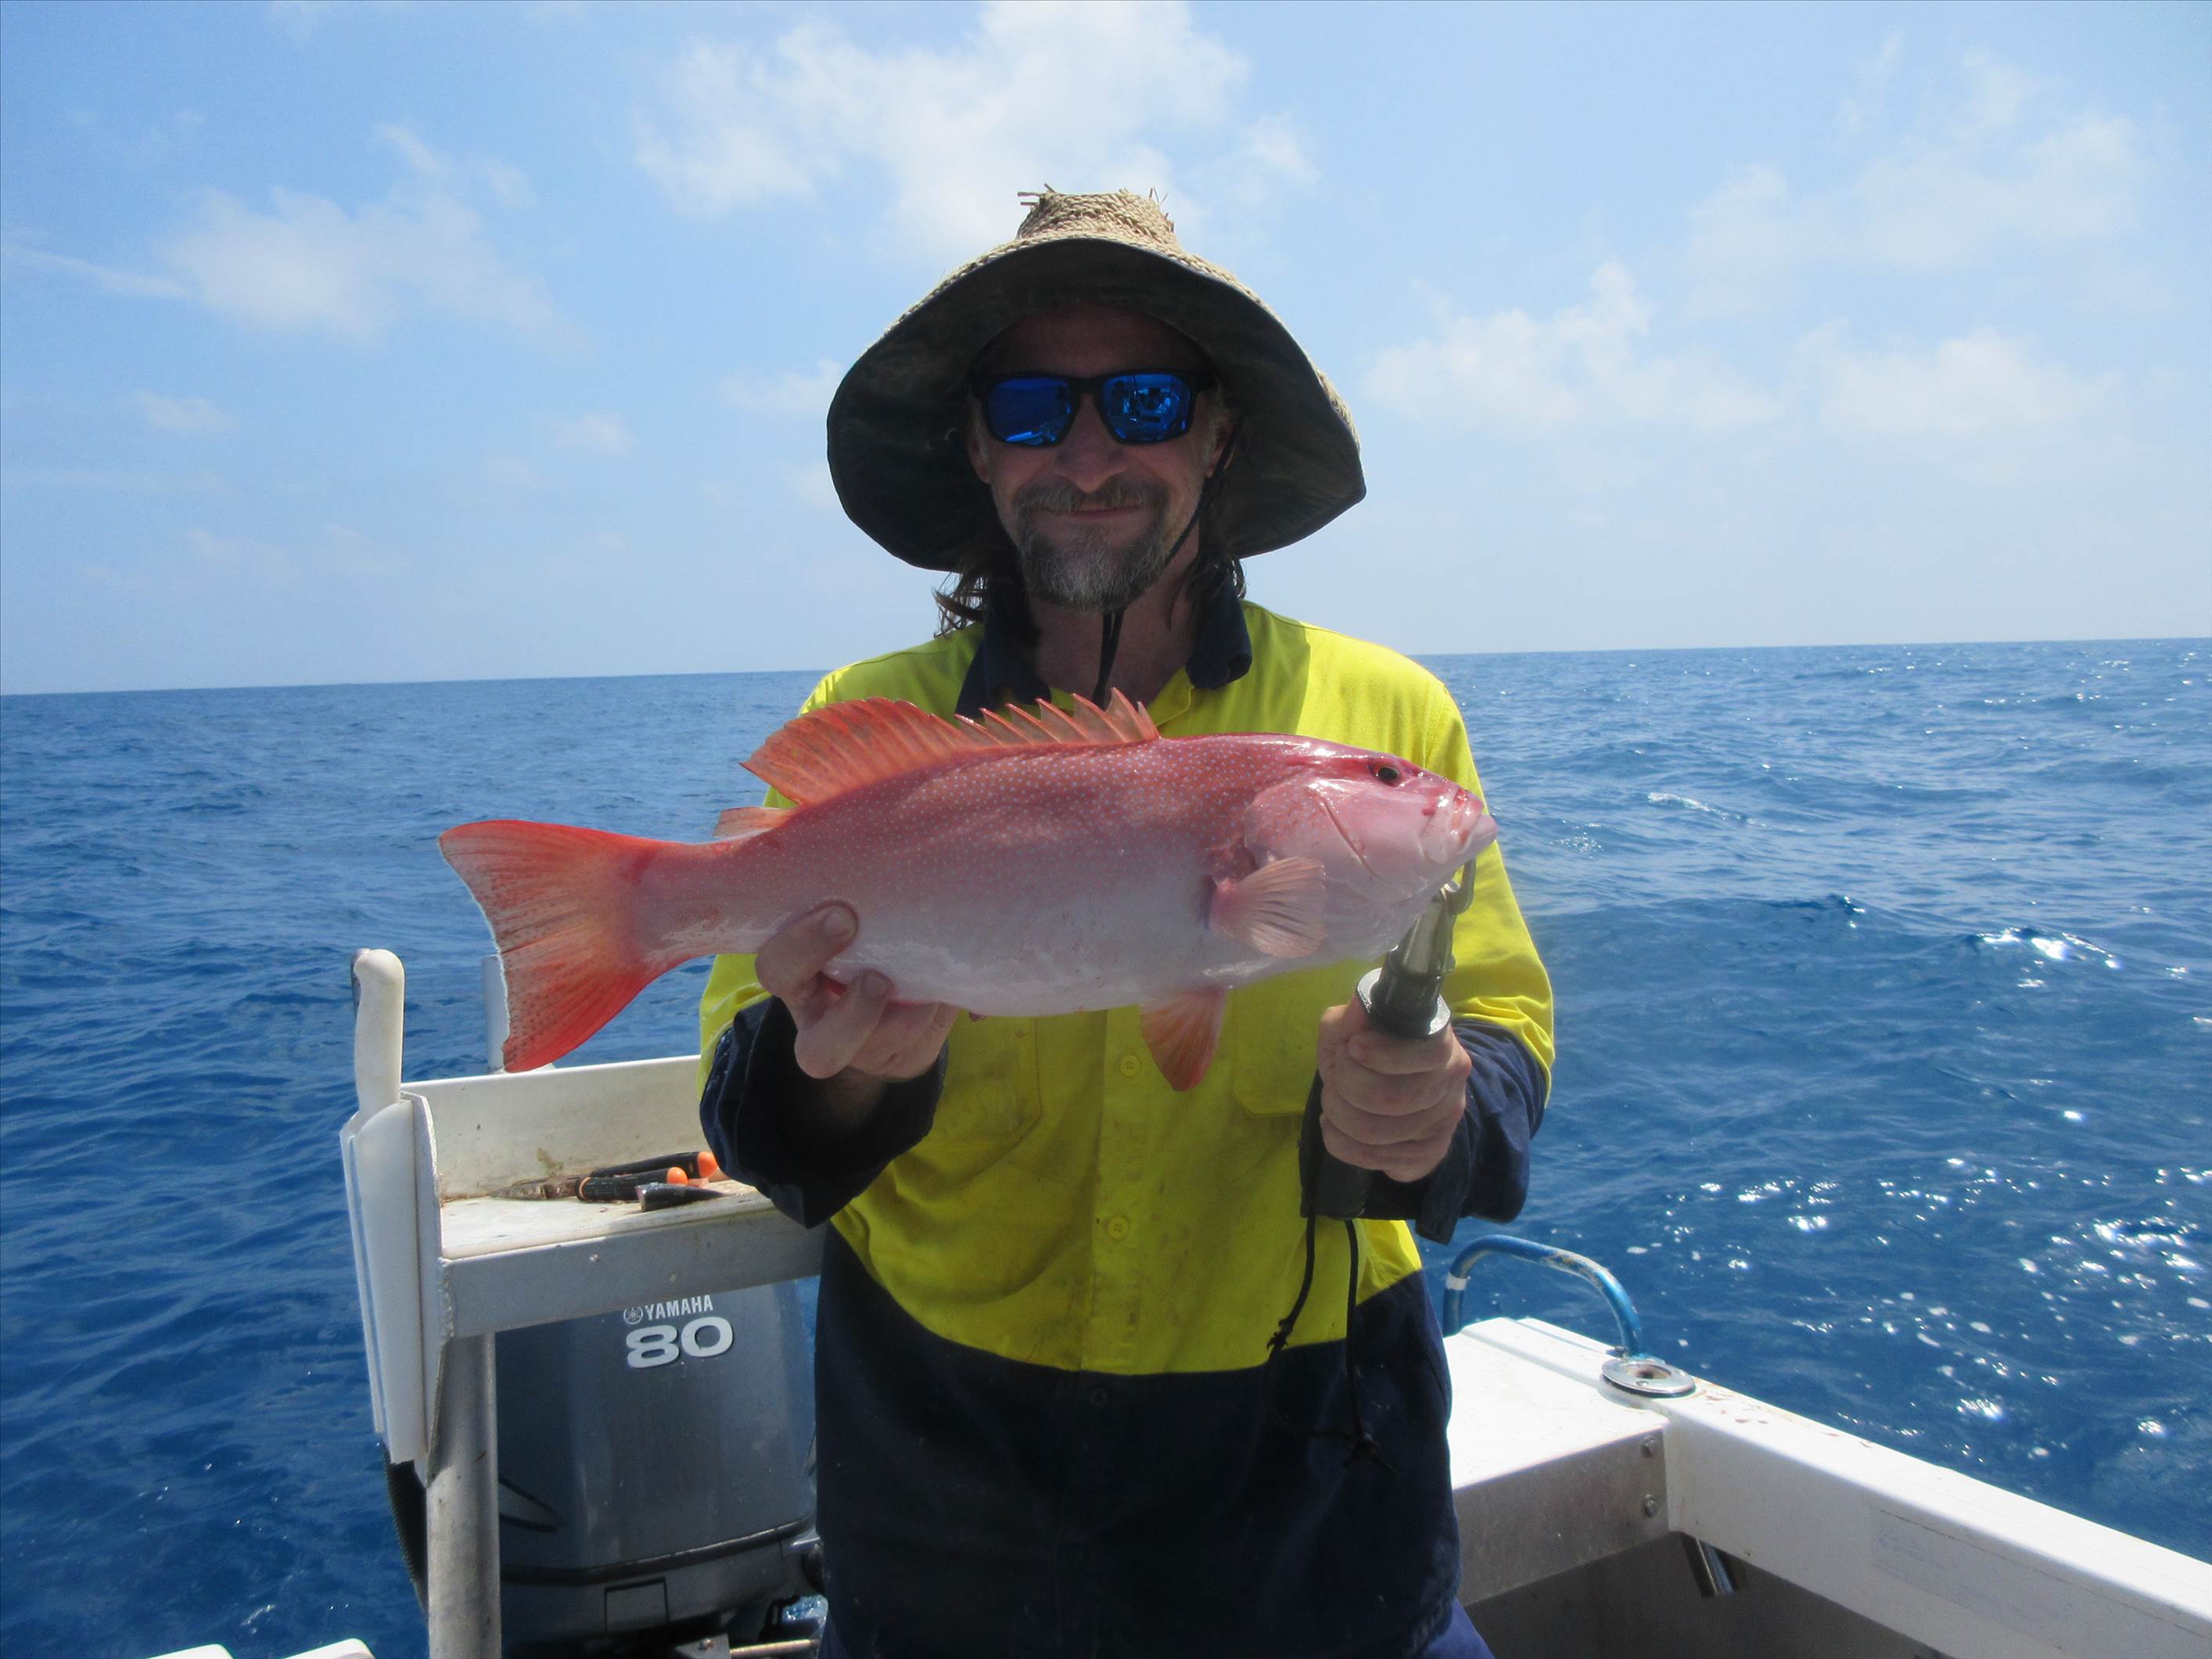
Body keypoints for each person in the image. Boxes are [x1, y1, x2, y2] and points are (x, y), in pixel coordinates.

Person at [698, 189, 1553, 1659]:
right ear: (978, 446)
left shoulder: (1389, 720)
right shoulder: (867, 723)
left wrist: (1439, 1115)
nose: (1087, 455)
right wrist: (844, 1068)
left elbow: (1505, 1034)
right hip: (946, 1514)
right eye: (1032, 408)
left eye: (1142, 401)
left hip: (1309, 1514)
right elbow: (754, 1126)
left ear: (1215, 433)